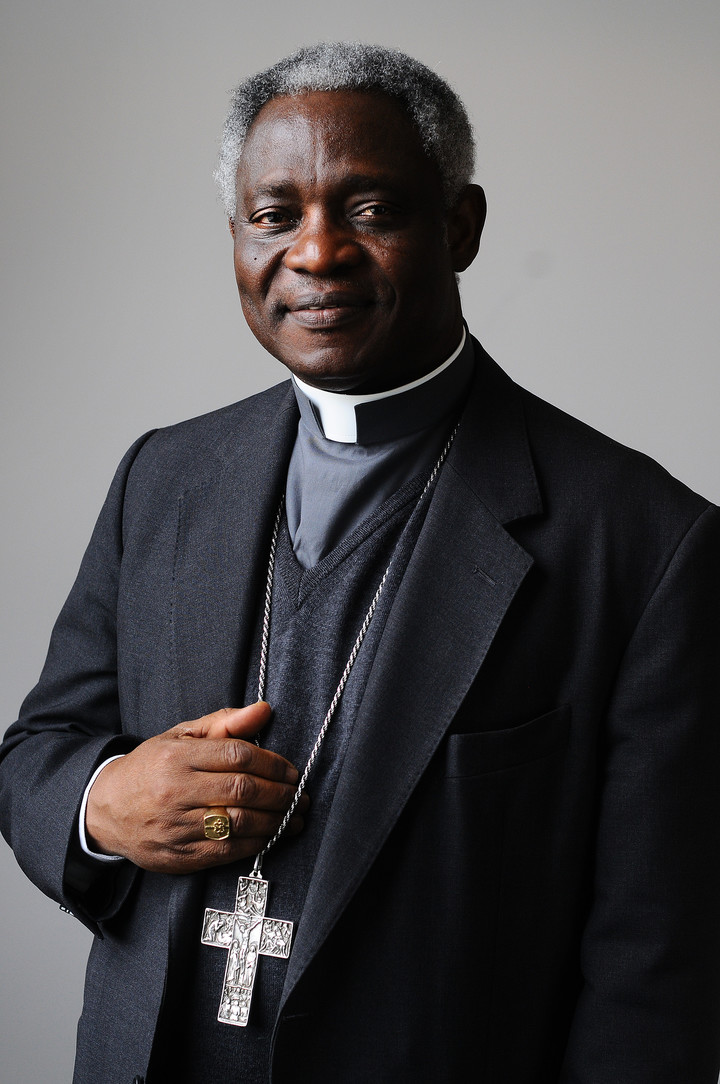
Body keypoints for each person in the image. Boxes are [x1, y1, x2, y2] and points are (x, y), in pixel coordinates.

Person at [1, 40, 720, 1084]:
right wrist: (102, 801)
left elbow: (654, 978)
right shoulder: (163, 477)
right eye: (274, 214)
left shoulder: (645, 543)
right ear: (238, 239)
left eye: (371, 209)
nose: (317, 253)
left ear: (461, 227)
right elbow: (37, 748)